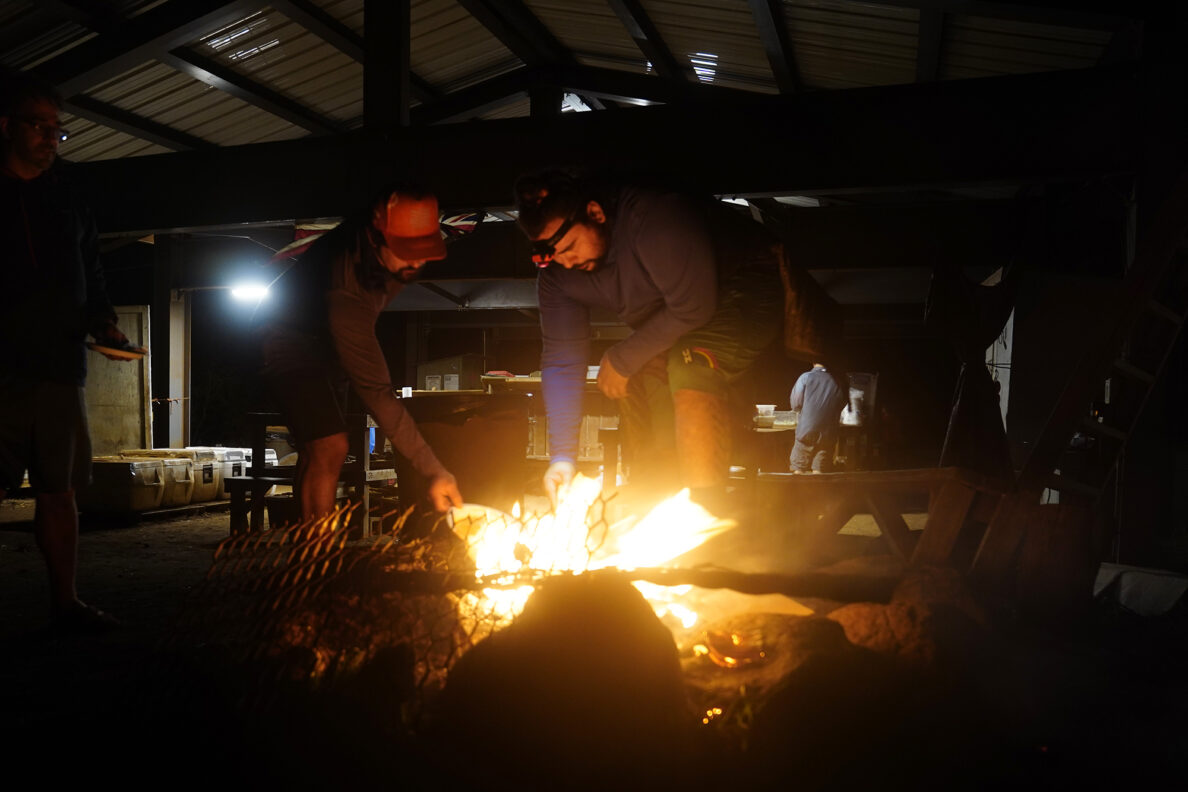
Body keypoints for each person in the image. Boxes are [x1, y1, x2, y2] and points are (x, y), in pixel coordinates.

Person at [513, 170, 785, 506]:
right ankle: (659, 497)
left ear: (595, 214)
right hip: (670, 321)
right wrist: (563, 457)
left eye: (569, 247)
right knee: (643, 388)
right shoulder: (557, 277)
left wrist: (624, 357)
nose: (566, 262)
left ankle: (705, 513)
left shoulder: (653, 219)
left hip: (742, 286)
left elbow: (694, 307)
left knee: (690, 366)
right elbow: (562, 360)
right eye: (555, 255)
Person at [0, 72, 132, 631]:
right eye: (39, 126)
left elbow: (93, 273)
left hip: (60, 367)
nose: (51, 138)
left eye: (58, 130)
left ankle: (65, 602)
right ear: (5, 126)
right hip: (0, 371)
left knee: (60, 490)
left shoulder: (69, 197)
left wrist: (103, 322)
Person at [257, 188, 463, 518]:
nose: (415, 261)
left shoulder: (386, 249)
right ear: (376, 237)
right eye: (407, 250)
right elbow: (377, 392)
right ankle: (317, 556)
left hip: (322, 342)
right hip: (282, 336)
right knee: (330, 445)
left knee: (318, 447)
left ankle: (306, 546)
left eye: (424, 251)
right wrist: (433, 469)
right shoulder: (347, 288)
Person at [788, 362, 848, 473]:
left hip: (806, 431)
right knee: (819, 472)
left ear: (814, 362)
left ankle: (796, 489)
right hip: (828, 433)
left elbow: (796, 404)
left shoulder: (805, 377)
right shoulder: (838, 382)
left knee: (798, 470)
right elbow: (842, 404)